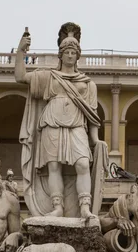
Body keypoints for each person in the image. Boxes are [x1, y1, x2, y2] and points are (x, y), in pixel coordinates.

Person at [15, 22, 108, 218]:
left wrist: (95, 139)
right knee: (54, 166)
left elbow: (92, 117)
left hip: (76, 124)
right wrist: (20, 51)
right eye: (66, 51)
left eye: (73, 51)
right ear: (61, 54)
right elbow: (21, 77)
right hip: (51, 122)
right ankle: (57, 208)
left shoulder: (88, 84)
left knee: (83, 164)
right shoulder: (49, 77)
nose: (70, 55)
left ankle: (84, 207)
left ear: (78, 55)